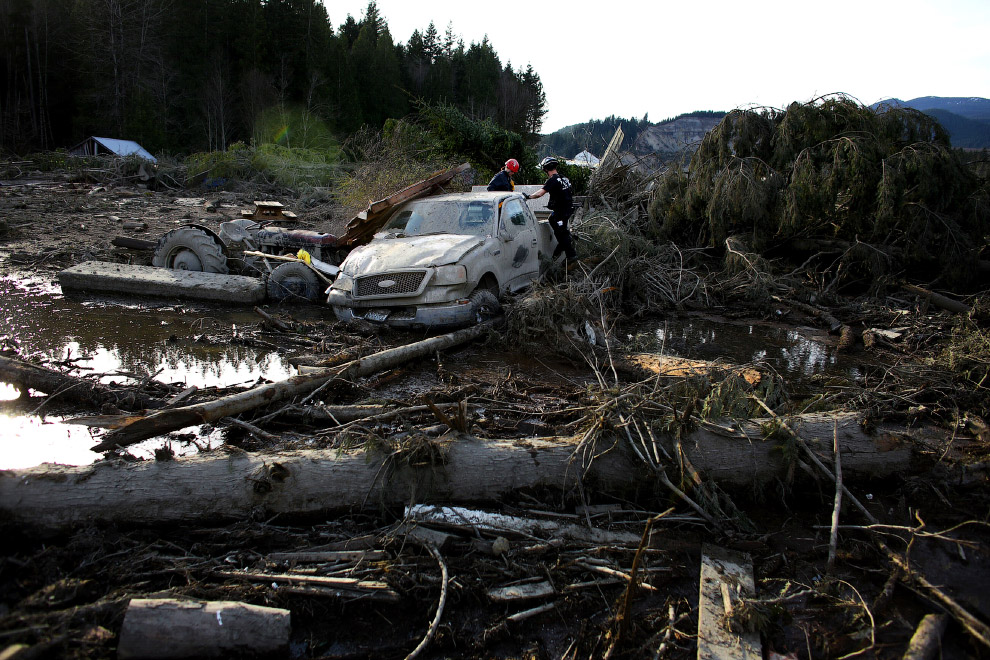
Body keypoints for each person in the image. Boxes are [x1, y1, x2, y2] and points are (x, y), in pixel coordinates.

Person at [523, 156, 577, 261]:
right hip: (567, 208)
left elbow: (540, 193)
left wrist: (528, 196)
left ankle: (571, 255)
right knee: (552, 220)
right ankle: (561, 249)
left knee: (562, 232)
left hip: (562, 210)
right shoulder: (563, 178)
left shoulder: (553, 180)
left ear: (546, 169)